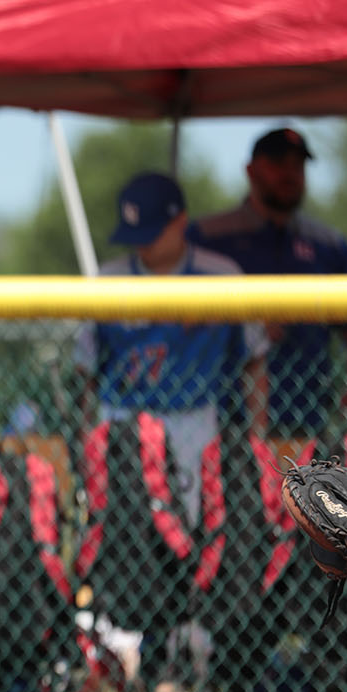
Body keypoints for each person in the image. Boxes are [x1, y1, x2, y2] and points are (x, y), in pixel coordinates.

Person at [75, 171, 270, 525]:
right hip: (122, 415)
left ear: (180, 221)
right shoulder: (108, 280)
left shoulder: (221, 276)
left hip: (192, 418)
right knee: (121, 525)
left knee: (194, 521)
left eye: (151, 233)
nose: (142, 245)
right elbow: (85, 371)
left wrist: (258, 439)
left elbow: (254, 360)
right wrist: (88, 436)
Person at [188, 128, 347, 438]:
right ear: (251, 170)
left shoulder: (327, 244)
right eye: (278, 163)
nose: (290, 174)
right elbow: (177, 322)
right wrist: (247, 323)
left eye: (298, 166)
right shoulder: (209, 237)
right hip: (218, 417)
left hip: (306, 415)